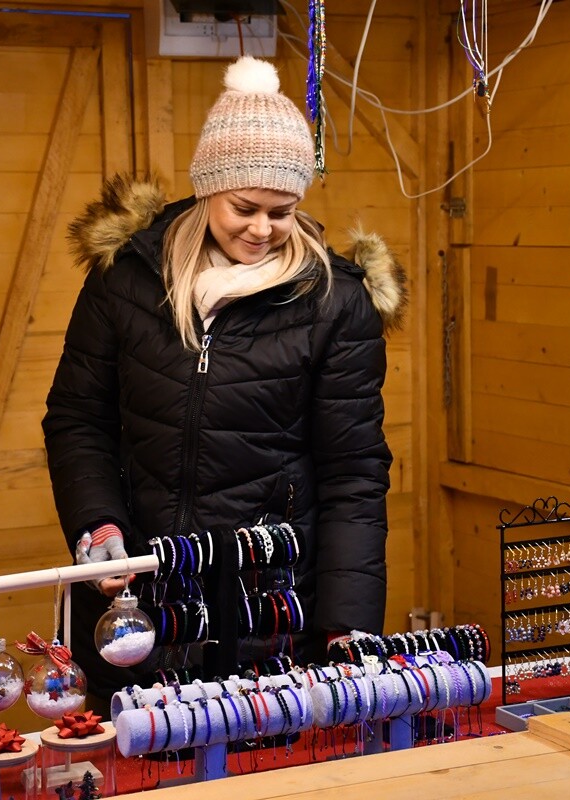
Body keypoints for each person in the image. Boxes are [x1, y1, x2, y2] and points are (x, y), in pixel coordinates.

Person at [42, 56, 406, 699]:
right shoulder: (126, 278)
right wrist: (98, 526)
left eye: (284, 211)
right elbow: (77, 420)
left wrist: (349, 630)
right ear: (210, 185)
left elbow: (354, 475)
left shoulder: (335, 302)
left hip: (268, 615)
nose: (263, 229)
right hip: (135, 602)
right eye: (246, 207)